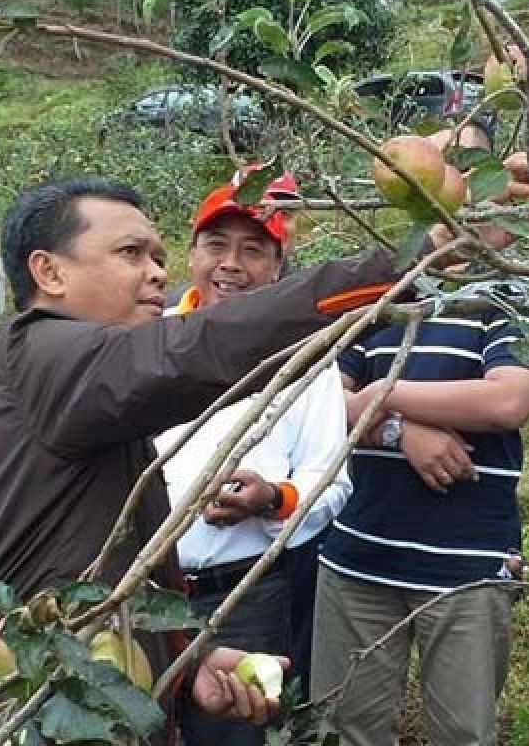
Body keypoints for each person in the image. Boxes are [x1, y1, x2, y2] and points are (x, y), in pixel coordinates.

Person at [0, 175, 522, 740]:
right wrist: (416, 256)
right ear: (49, 271)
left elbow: (97, 556)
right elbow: (197, 349)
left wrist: (189, 659)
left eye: (158, 256)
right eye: (131, 254)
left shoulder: (75, 383)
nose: (154, 272)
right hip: (21, 704)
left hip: (88, 679)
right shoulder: (39, 355)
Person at [308, 133, 529, 746]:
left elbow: (508, 399)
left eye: (461, 160)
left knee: (462, 733)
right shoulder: (383, 293)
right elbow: (322, 400)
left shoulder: (513, 289)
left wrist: (384, 397)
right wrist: (403, 431)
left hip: (466, 567)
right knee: (347, 730)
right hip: (356, 556)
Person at [154, 168, 353, 744]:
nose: (231, 264)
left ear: (277, 265)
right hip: (143, 594)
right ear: (191, 254)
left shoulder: (304, 361)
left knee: (234, 732)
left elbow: (333, 481)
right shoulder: (146, 338)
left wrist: (272, 499)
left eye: (253, 250)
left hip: (243, 599)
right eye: (216, 245)